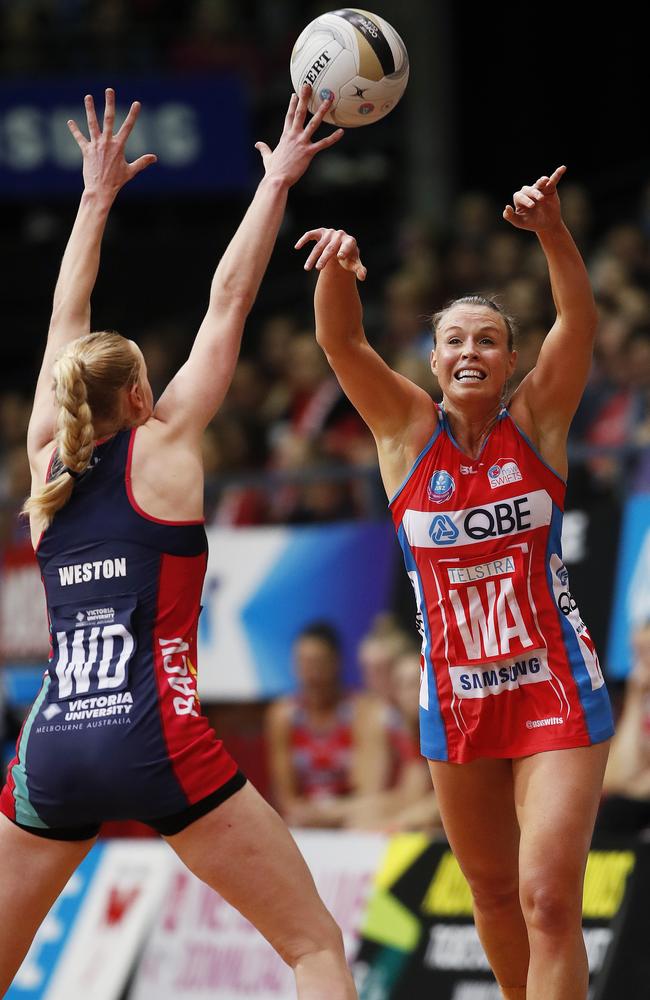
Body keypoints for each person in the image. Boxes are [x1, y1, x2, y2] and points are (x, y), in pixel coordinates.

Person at [0, 86, 357, 1000]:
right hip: (153, 734)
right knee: (314, 945)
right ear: (134, 401)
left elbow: (61, 325)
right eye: (149, 383)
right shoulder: (160, 451)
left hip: (54, 747)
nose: (160, 391)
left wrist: (92, 201)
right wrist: (275, 178)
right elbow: (230, 298)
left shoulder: (46, 462)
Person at [296, 166, 614, 1000]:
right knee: (495, 897)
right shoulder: (404, 433)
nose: (470, 351)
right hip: (457, 697)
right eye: (454, 341)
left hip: (555, 689)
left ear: (510, 359)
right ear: (434, 361)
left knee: (549, 900)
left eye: (486, 340)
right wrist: (336, 267)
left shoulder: (539, 422)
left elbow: (579, 318)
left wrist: (550, 232)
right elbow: (341, 344)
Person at [265, 621, 391, 827]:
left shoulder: (363, 712)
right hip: (303, 822)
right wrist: (304, 814)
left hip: (352, 820)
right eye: (302, 662)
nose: (310, 673)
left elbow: (370, 790)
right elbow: (285, 797)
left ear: (336, 662)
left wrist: (332, 814)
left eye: (317, 663)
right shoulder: (282, 715)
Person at [598, 621, 650, 833]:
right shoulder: (636, 701)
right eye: (636, 654)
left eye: (646, 654)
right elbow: (613, 777)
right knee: (616, 812)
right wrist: (636, 697)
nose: (639, 667)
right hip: (633, 812)